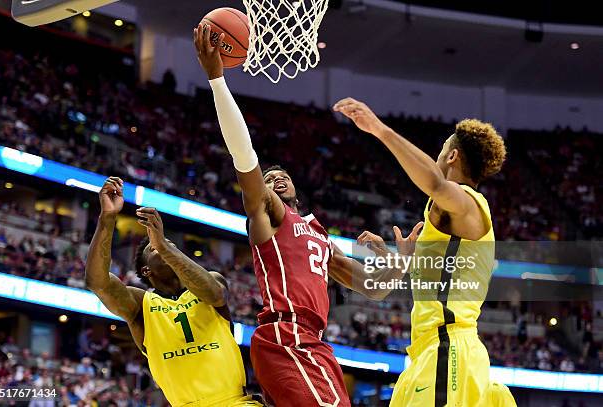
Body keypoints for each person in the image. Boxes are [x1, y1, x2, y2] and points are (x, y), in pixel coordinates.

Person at [195, 23, 422, 407]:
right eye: (269, 179)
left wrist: (399, 262)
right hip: (286, 336)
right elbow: (245, 156)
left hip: (313, 343)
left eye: (282, 175)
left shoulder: (317, 233)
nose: (276, 177)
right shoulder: (269, 216)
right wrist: (218, 80)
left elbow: (374, 287)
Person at [334, 98, 517, 407]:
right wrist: (404, 260)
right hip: (427, 352)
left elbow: (434, 182)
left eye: (442, 150)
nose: (438, 157)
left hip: (450, 349)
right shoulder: (450, 229)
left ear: (453, 156)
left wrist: (379, 130)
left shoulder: (470, 203)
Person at [85, 177, 262, 407]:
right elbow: (97, 282)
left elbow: (215, 294)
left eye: (170, 244)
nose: (163, 244)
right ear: (146, 269)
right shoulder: (141, 304)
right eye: (153, 247)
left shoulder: (210, 282)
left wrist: (164, 248)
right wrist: (107, 219)